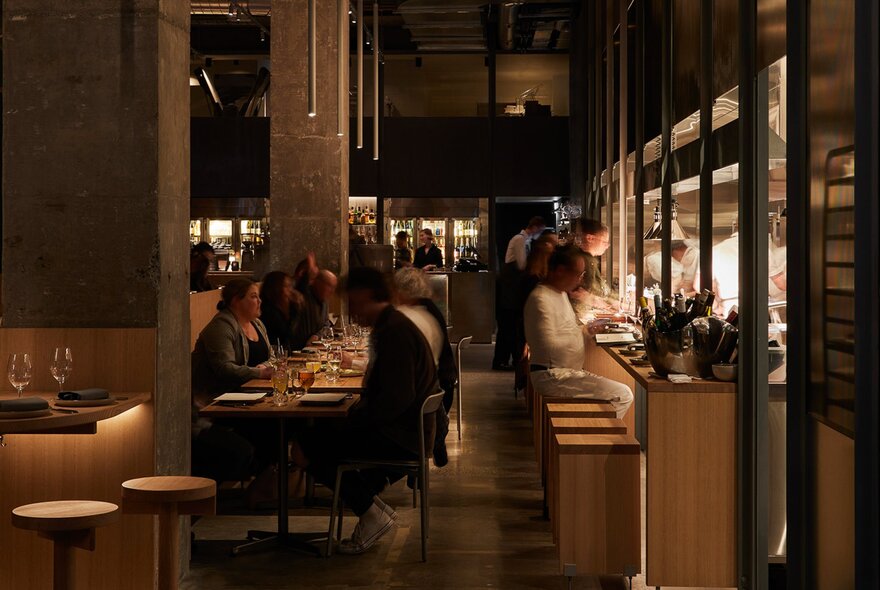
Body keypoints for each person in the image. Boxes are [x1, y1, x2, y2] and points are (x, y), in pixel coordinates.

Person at [292, 267, 439, 555]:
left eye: (355, 303)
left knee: (308, 445)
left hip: (402, 436)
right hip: (407, 429)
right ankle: (373, 508)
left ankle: (371, 513)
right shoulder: (391, 326)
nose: (354, 312)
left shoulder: (394, 331)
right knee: (316, 435)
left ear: (369, 296)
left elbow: (397, 398)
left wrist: (353, 419)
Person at [191, 279, 278, 502]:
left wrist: (266, 368)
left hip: (247, 401)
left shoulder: (257, 325)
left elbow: (271, 359)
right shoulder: (222, 327)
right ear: (235, 300)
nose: (259, 301)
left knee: (281, 426)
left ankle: (263, 485)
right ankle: (206, 500)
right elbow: (224, 369)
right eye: (253, 296)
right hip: (214, 407)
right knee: (267, 432)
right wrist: (259, 373)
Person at [523, 247, 634, 419]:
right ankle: (596, 441)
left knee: (620, 391)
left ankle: (596, 438)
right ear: (560, 271)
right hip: (552, 376)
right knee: (623, 394)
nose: (579, 280)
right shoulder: (541, 299)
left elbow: (566, 334)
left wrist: (586, 331)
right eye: (578, 274)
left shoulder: (558, 294)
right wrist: (582, 332)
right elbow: (548, 347)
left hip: (563, 372)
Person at [393, 267, 458, 467]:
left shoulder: (409, 318)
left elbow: (401, 365)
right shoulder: (429, 310)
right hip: (439, 392)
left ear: (402, 291)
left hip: (421, 405)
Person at [493, 216, 546, 371]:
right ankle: (501, 361)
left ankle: (507, 359)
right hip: (510, 289)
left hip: (512, 289)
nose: (540, 234)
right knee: (507, 327)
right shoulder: (519, 239)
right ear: (535, 227)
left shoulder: (524, 240)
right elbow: (522, 264)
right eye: (540, 230)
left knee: (509, 327)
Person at [569, 217, 616, 320]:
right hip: (576, 318)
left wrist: (612, 301)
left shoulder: (590, 260)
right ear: (590, 238)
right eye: (604, 242)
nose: (607, 246)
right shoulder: (581, 260)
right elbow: (574, 291)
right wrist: (597, 300)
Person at [292, 269, 338, 349]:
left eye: (334, 287)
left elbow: (326, 324)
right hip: (296, 350)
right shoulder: (302, 297)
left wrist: (316, 336)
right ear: (318, 282)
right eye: (329, 286)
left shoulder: (324, 300)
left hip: (314, 350)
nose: (332, 291)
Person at [259, 271, 305, 351]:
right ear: (276, 288)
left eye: (290, 286)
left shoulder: (282, 306)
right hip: (272, 355)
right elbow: (287, 335)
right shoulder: (267, 309)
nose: (290, 290)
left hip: (285, 352)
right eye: (286, 286)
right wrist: (296, 308)